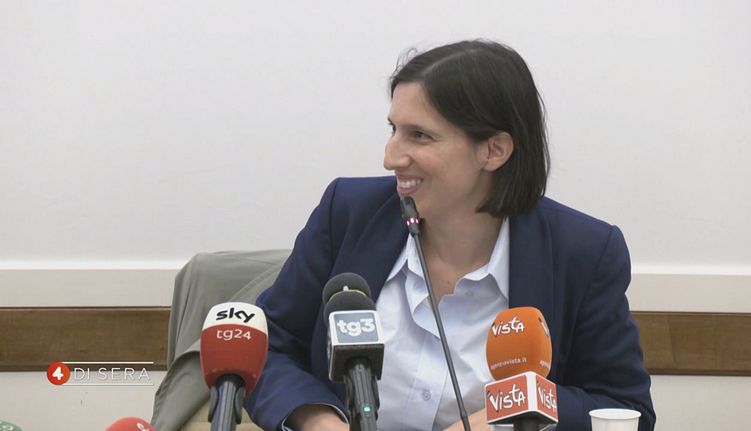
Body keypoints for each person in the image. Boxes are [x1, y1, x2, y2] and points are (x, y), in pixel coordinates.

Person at [245, 39, 655, 431]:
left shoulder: (582, 252)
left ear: (494, 151)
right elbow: (268, 345)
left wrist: (511, 414)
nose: (390, 157)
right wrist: (318, 420)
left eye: (419, 135)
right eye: (393, 129)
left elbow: (622, 408)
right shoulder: (348, 213)